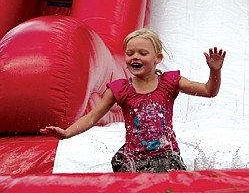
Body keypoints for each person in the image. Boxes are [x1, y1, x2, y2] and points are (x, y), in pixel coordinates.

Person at [40, 28, 226, 173]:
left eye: (142, 53)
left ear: (157, 58)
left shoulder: (169, 82)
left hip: (166, 156)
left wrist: (215, 71)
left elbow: (208, 91)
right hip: (133, 159)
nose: (135, 57)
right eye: (130, 53)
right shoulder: (120, 89)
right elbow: (92, 117)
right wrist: (66, 133)